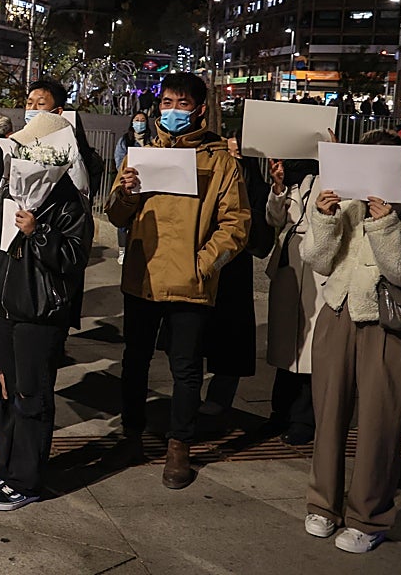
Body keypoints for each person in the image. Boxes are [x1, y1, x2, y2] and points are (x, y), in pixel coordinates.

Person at [107, 72, 250, 489]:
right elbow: (116, 215)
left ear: (200, 109)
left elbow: (236, 226)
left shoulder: (219, 161)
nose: (171, 111)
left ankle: (178, 446)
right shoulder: (140, 154)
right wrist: (127, 193)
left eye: (181, 104)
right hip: (142, 277)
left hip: (190, 282)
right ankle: (131, 434)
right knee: (134, 360)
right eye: (166, 102)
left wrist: (203, 263)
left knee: (186, 369)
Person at [0, 135, 91, 510]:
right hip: (3, 309)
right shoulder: (12, 194)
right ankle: (4, 466)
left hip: (39, 314)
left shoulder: (69, 203)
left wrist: (38, 232)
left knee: (30, 394)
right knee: (3, 390)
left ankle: (27, 478)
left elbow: (73, 258)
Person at [301, 128, 401, 555]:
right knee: (327, 415)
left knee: (380, 422)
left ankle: (369, 516)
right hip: (337, 312)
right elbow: (318, 258)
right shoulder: (340, 197)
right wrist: (325, 217)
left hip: (387, 323)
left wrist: (384, 223)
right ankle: (323, 505)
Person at [199, 134, 274, 429]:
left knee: (230, 336)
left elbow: (260, 236)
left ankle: (220, 396)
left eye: (238, 155)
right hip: (205, 262)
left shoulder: (255, 186)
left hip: (234, 268)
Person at [264, 157, 325, 445]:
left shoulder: (330, 176)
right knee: (286, 343)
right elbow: (274, 220)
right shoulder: (289, 178)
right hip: (288, 265)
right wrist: (277, 187)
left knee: (311, 347)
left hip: (317, 267)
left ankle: (305, 417)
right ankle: (280, 412)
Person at [113, 112, 152, 265]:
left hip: (146, 185)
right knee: (124, 220)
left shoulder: (152, 140)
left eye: (143, 120)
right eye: (137, 120)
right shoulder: (125, 140)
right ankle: (122, 250)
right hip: (128, 184)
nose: (140, 123)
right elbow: (119, 163)